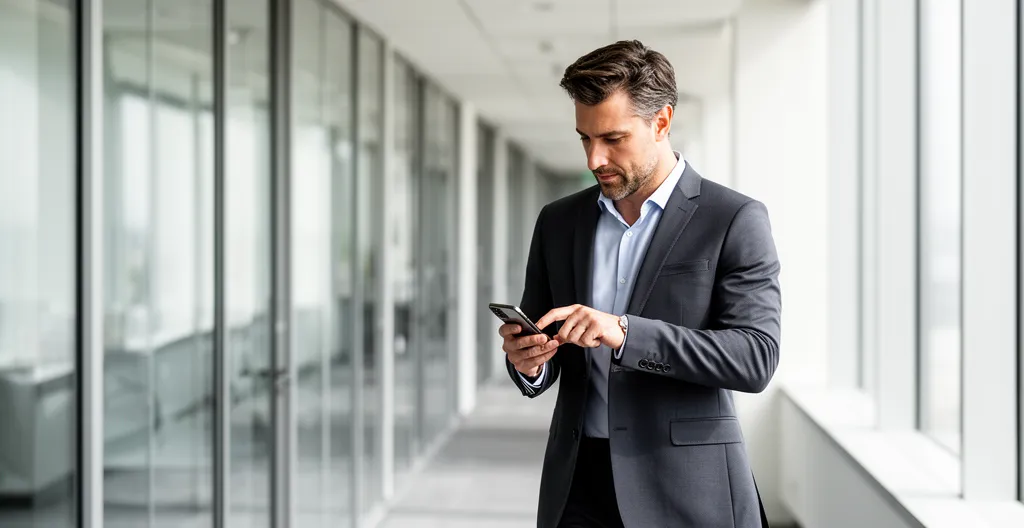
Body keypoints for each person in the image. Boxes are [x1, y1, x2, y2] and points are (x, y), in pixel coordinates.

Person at [499, 40, 781, 528]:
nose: (594, 158)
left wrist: (625, 333)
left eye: (612, 138)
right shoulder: (559, 222)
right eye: (584, 138)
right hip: (577, 485)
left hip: (687, 487)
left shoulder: (733, 219)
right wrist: (527, 363)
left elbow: (754, 356)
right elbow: (541, 342)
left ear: (662, 121)